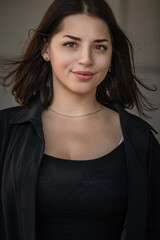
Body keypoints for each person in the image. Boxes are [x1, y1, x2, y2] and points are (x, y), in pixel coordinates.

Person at [0, 0, 160, 239]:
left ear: (111, 55)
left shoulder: (140, 141)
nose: (86, 59)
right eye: (71, 44)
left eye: (100, 47)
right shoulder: (5, 130)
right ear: (46, 49)